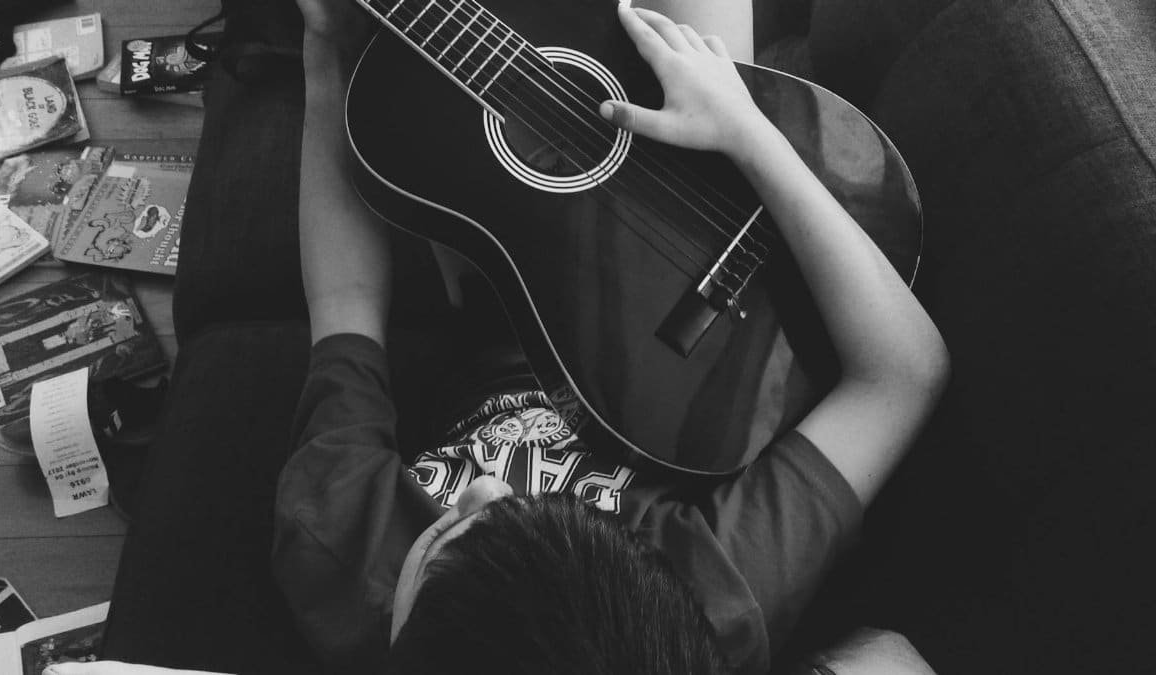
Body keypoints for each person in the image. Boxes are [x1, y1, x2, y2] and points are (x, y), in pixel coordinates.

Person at [49, 0, 948, 672]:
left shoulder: (342, 555)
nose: (478, 483)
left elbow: (347, 308)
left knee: (411, 114)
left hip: (502, 279)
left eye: (445, 536)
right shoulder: (713, 599)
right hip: (706, 315)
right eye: (520, 510)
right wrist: (745, 128)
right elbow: (903, 373)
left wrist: (324, 57)